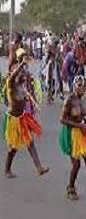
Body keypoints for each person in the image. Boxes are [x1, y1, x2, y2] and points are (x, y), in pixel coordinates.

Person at [3, 50, 49, 178]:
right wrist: (22, 64)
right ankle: (7, 169)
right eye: (22, 74)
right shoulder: (11, 84)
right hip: (13, 120)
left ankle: (39, 168)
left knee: (30, 142)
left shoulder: (22, 87)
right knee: (13, 147)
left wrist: (32, 102)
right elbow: (13, 76)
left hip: (22, 118)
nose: (24, 75)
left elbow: (28, 96)